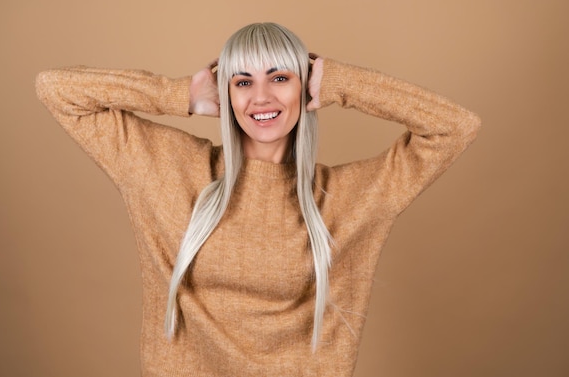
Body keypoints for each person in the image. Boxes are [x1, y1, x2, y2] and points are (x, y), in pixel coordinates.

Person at [36, 22, 480, 377]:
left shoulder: (346, 198)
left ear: (304, 89)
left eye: (280, 78)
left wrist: (342, 83)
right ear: (224, 92)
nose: (261, 97)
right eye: (243, 81)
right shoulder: (167, 168)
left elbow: (455, 127)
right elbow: (56, 89)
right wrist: (180, 95)